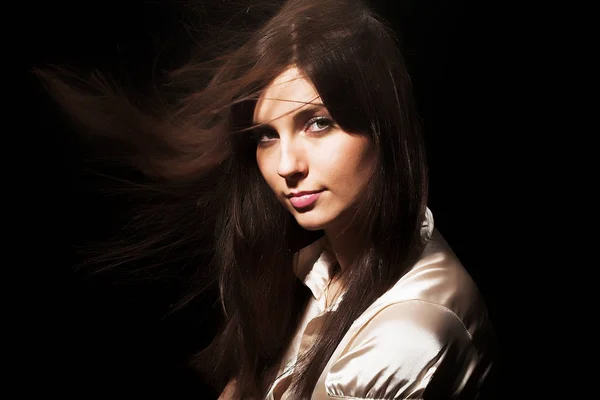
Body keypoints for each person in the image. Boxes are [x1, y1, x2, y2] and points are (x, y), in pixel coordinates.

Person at [34, 0, 497, 398]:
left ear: (383, 127)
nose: (286, 166)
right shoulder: (328, 268)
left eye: (318, 123)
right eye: (266, 136)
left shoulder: (405, 340)